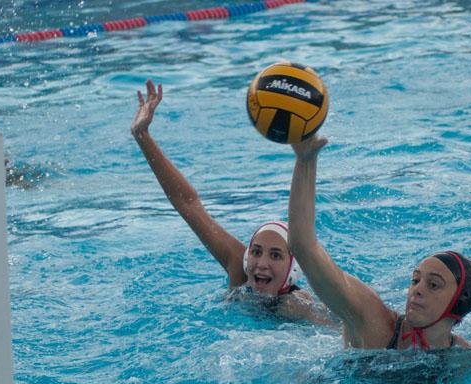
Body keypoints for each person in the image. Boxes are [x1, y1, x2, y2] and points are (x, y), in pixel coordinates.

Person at [131, 80, 334, 325]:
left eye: (276, 255)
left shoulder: (299, 307)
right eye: (256, 252)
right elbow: (187, 203)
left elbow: (345, 333)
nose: (261, 263)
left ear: (292, 271)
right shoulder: (240, 270)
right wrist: (142, 136)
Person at [287, 135, 471, 351]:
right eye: (415, 280)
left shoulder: (466, 357)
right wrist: (306, 161)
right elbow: (304, 247)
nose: (416, 291)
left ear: (459, 302)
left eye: (433, 285)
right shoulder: (372, 322)